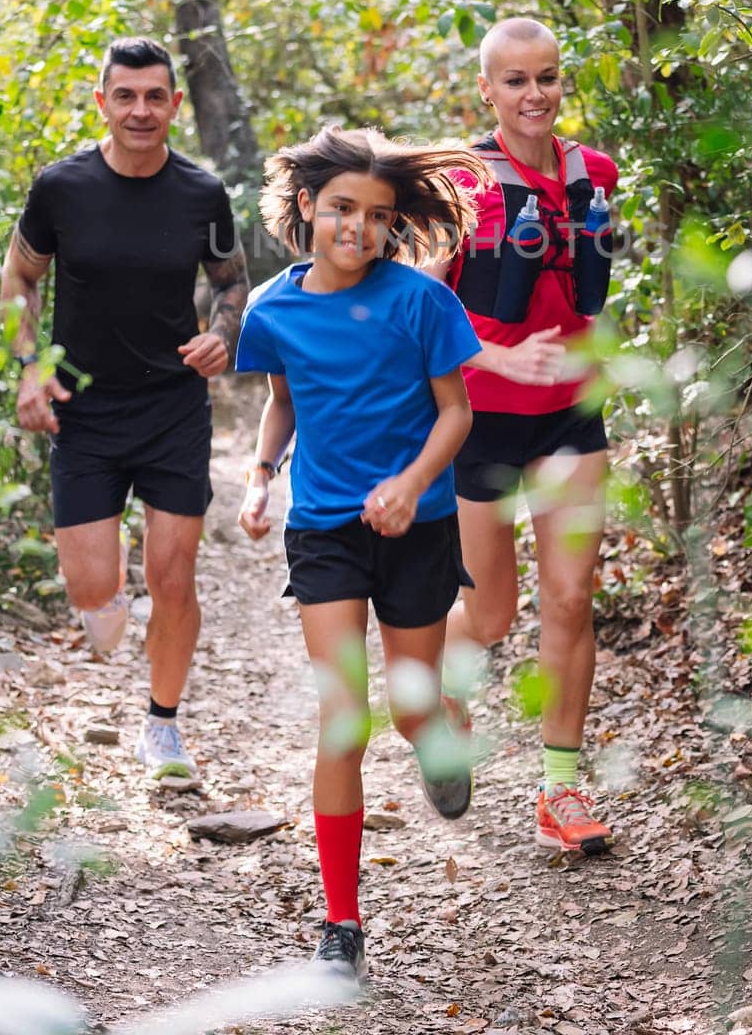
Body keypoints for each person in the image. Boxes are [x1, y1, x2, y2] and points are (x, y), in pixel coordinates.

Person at [235, 126, 483, 981]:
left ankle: (440, 733)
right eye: (341, 208)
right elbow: (282, 401)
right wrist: (261, 477)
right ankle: (340, 924)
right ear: (306, 206)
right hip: (325, 531)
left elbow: (456, 415)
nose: (358, 228)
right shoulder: (271, 308)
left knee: (411, 714)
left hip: (418, 524)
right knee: (342, 718)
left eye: (377, 215)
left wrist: (411, 485)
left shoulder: (420, 302)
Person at [0, 36, 248, 784]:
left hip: (173, 406)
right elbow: (19, 275)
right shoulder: (61, 188)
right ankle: (116, 612)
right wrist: (29, 368)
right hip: (85, 407)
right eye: (125, 95)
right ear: (101, 101)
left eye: (154, 97)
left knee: (173, 577)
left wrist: (222, 334)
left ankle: (163, 726)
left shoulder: (202, 194)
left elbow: (233, 282)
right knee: (93, 597)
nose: (140, 110)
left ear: (174, 104)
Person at [441, 16, 619, 855]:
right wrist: (504, 359)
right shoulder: (459, 182)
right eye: (514, 81)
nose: (533, 95)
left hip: (571, 414)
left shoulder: (596, 174)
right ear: (487, 90)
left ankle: (560, 790)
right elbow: (421, 312)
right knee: (489, 615)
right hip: (479, 419)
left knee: (571, 598)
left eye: (545, 77)